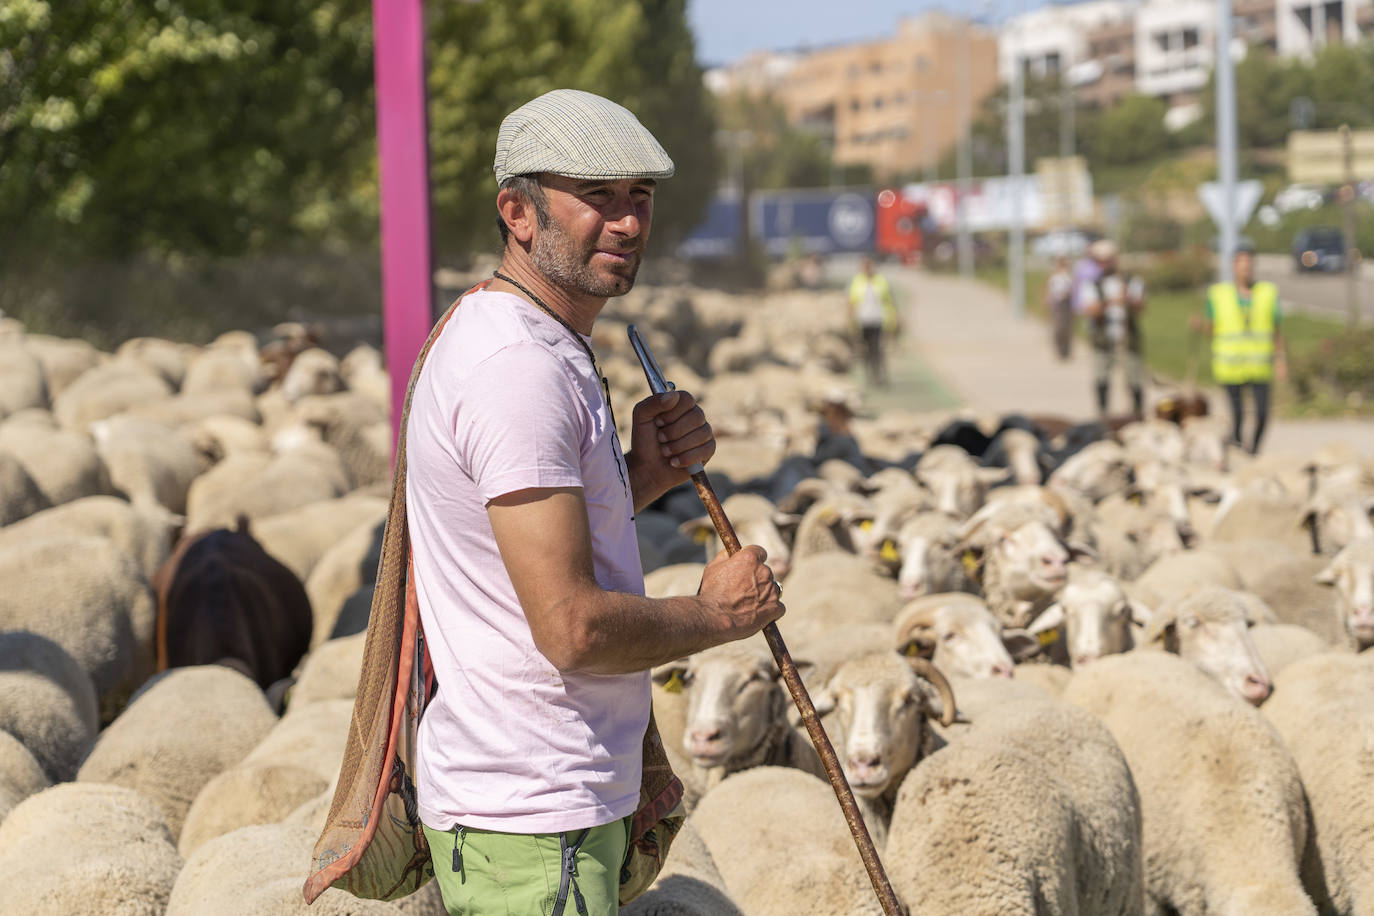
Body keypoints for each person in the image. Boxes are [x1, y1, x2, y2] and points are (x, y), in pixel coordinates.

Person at [405, 89, 785, 915]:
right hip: (535, 813)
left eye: (640, 198)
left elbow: (515, 552)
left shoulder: (541, 342)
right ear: (518, 210)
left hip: (546, 804)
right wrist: (717, 617)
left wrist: (638, 473)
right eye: (598, 198)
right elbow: (572, 629)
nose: (626, 223)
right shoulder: (517, 369)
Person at [1192, 244, 1288, 454]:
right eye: (1241, 264)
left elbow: (1276, 329)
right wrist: (1200, 326)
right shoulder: (1218, 294)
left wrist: (1281, 359)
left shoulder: (1267, 292)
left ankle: (1253, 450)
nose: (1246, 268)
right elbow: (1212, 328)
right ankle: (1237, 450)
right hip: (1230, 365)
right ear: (1234, 266)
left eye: (1249, 264)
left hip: (1260, 365)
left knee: (1262, 414)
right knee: (1238, 415)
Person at [1078, 240, 1147, 419]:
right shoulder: (1093, 284)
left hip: (1127, 338)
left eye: (1108, 259)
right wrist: (1111, 301)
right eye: (1101, 260)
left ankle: (1137, 413)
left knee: (1134, 378)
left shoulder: (1132, 281)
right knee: (1101, 378)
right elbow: (1092, 311)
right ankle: (1103, 415)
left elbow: (1141, 308)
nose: (1104, 264)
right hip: (1103, 339)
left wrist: (1129, 300)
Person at [846, 256, 899, 386]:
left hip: (878, 320)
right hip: (862, 321)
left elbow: (890, 300)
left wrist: (895, 317)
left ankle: (879, 376)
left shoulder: (881, 281)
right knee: (865, 351)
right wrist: (849, 319)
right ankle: (869, 376)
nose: (867, 268)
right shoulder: (857, 282)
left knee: (877, 349)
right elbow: (851, 302)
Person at [1044, 255, 1075, 360]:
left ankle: (1066, 350)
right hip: (1057, 303)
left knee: (1067, 327)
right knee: (1058, 327)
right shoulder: (1054, 275)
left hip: (1067, 303)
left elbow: (1073, 288)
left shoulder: (1069, 275)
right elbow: (1048, 287)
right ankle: (1059, 348)